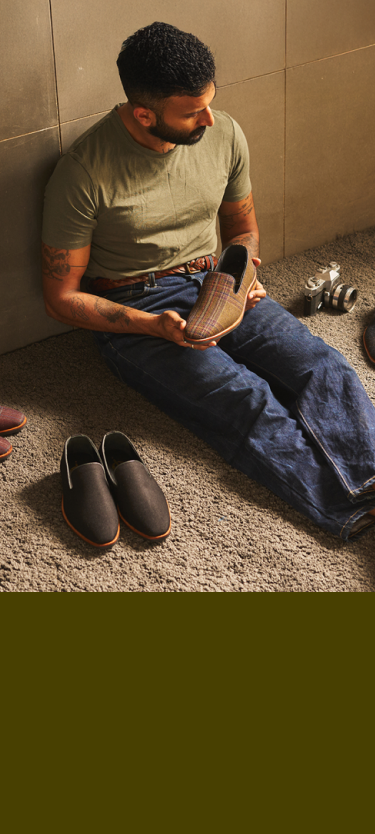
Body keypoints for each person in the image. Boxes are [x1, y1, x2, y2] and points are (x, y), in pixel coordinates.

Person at [42, 21, 375, 539]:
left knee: (323, 366)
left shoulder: (224, 134)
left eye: (210, 102)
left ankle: (370, 481)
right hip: (136, 307)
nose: (210, 118)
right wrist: (154, 327)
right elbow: (62, 298)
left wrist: (240, 275)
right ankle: (352, 513)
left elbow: (242, 229)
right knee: (249, 401)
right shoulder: (83, 172)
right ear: (144, 113)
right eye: (192, 111)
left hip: (215, 281)